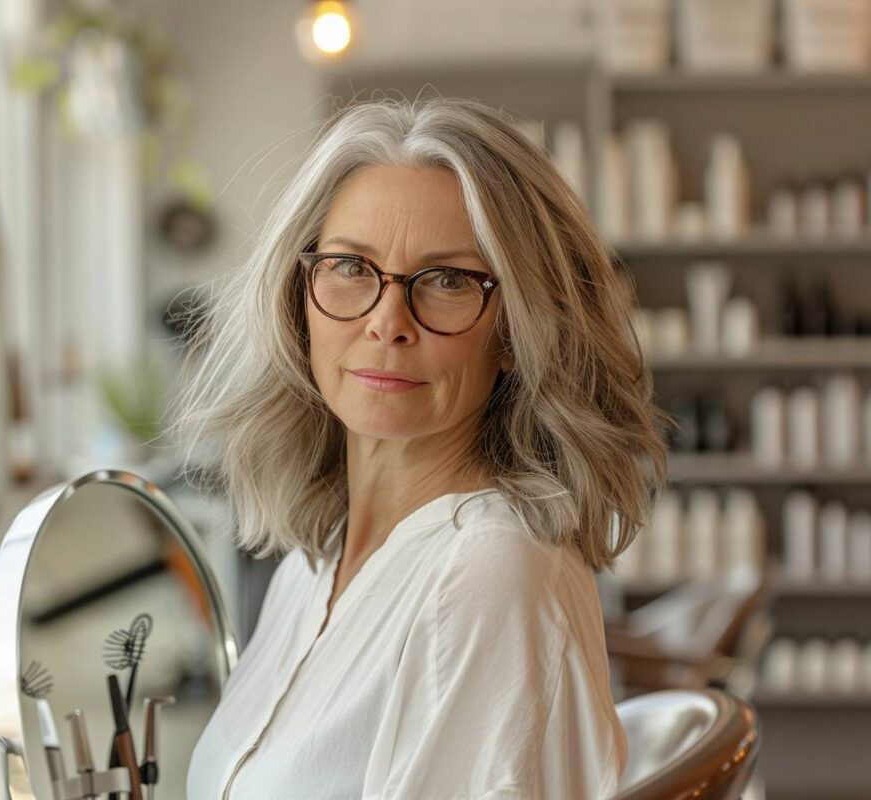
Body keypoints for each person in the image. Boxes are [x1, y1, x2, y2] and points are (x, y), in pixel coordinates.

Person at [169, 96, 669, 799]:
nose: (387, 322)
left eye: (447, 281)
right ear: (297, 298)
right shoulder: (312, 569)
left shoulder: (487, 575)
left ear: (518, 334)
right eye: (350, 266)